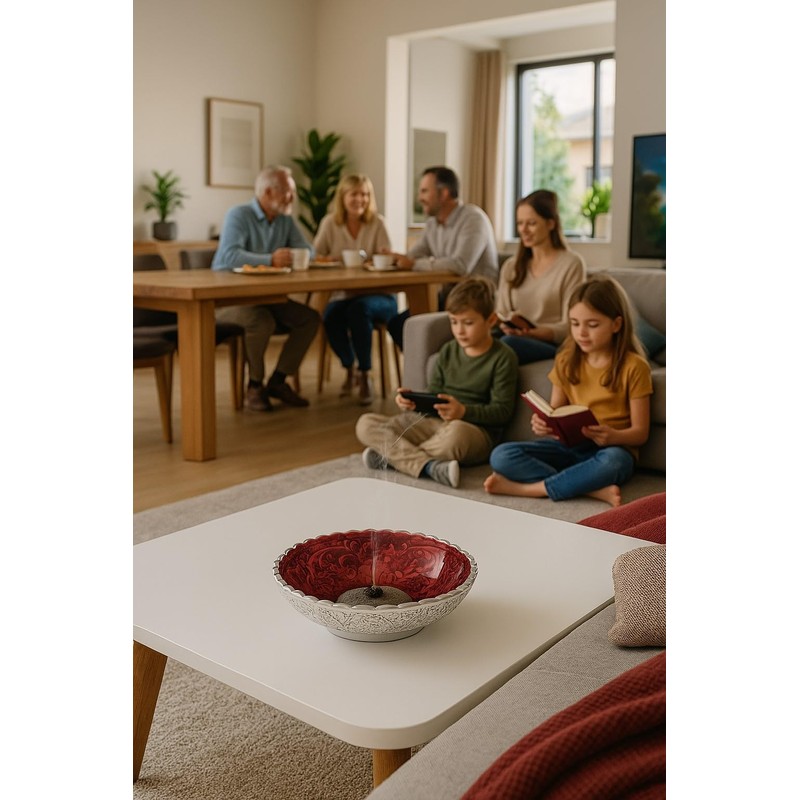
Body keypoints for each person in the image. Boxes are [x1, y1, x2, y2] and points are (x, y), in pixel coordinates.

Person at [484, 275, 652, 507]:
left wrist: (613, 436)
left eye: (592, 325)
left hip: (610, 449)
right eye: (574, 323)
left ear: (616, 324)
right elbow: (557, 412)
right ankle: (591, 489)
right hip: (568, 447)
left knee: (614, 463)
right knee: (501, 455)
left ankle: (532, 489)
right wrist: (545, 425)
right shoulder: (565, 360)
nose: (581, 332)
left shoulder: (634, 367)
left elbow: (640, 433)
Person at [357, 277, 518, 489]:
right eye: (454, 322)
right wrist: (416, 403)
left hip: (472, 430)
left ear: (490, 320)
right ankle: (429, 467)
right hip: (435, 424)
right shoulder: (448, 350)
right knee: (366, 424)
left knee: (455, 436)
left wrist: (463, 412)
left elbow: (502, 412)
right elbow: (435, 395)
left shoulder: (503, 357)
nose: (459, 330)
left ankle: (394, 457)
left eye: (468, 323)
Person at [212, 165, 320, 411]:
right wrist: (270, 259)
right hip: (227, 301)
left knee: (309, 319)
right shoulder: (238, 215)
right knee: (260, 321)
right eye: (288, 192)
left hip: (268, 298)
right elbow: (228, 256)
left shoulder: (284, 220)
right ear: (269, 192)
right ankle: (254, 386)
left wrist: (295, 255)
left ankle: (278, 381)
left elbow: (309, 250)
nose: (292, 198)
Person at [384, 166, 499, 349]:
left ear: (444, 193)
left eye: (424, 191)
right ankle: (430, 373)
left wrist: (413, 264)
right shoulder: (432, 224)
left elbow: (460, 265)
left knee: (414, 327)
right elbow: (415, 255)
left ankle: (440, 370)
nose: (420, 198)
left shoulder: (473, 219)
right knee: (399, 325)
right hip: (448, 297)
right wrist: (394, 259)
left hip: (475, 301)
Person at [313, 173, 395, 405]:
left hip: (380, 296)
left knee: (359, 310)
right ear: (343, 197)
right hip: (344, 294)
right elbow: (316, 255)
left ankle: (365, 373)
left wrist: (375, 261)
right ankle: (350, 366)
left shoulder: (378, 222)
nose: (360, 199)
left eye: (365, 194)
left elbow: (387, 257)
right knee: (330, 316)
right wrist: (332, 259)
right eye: (354, 194)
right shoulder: (330, 223)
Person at [496, 190, 586, 364]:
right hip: (513, 337)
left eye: (531, 223)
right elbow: (501, 313)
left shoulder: (572, 264)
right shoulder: (511, 266)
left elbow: (571, 324)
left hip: (550, 342)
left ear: (551, 224)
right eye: (520, 223)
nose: (524, 230)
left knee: (506, 345)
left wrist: (533, 333)